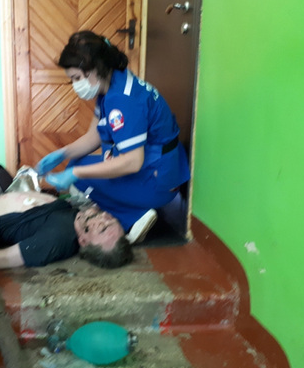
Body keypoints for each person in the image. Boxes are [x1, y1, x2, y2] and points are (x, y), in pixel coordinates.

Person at [36, 31, 190, 244]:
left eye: (77, 78)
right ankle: (131, 208)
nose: (75, 85)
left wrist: (75, 173)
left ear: (96, 68)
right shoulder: (112, 84)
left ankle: (132, 217)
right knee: (77, 163)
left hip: (159, 180)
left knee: (81, 177)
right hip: (157, 167)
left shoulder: (122, 100)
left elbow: (132, 162)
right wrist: (63, 153)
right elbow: (94, 136)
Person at [0, 191, 133, 270]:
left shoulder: (55, 240)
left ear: (84, 241)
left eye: (102, 228)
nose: (105, 217)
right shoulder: (76, 216)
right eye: (112, 220)